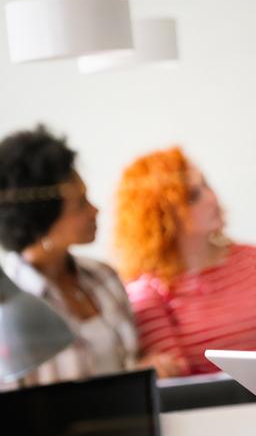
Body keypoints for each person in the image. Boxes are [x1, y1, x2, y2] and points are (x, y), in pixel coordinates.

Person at [0, 127, 182, 387]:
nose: (95, 210)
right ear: (41, 223)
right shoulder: (9, 310)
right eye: (80, 204)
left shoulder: (103, 277)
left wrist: (147, 370)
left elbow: (128, 363)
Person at [115, 147, 256, 377]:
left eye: (206, 185)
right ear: (161, 216)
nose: (211, 198)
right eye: (193, 196)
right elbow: (178, 375)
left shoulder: (255, 258)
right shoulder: (148, 290)